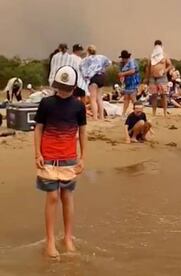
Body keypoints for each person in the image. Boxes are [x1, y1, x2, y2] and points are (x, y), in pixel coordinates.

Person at [34, 66, 86, 258]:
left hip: (69, 158)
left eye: (67, 88)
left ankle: (68, 237)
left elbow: (83, 132)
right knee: (53, 197)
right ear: (56, 86)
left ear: (73, 87)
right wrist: (37, 153)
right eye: (61, 88)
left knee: (67, 196)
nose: (63, 92)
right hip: (48, 157)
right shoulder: (46, 103)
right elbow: (38, 128)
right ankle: (49, 241)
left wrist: (83, 157)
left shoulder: (78, 106)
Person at [80, 45, 112, 120]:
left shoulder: (85, 60)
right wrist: (102, 67)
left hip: (93, 78)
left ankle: (95, 116)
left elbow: (81, 68)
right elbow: (109, 63)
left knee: (93, 98)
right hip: (101, 76)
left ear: (88, 51)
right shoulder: (101, 57)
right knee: (99, 97)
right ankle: (101, 116)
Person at [145, 40, 172, 117]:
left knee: (164, 95)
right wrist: (146, 78)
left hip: (162, 77)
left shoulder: (165, 55)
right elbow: (148, 67)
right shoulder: (151, 55)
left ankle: (165, 113)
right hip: (152, 77)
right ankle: (154, 113)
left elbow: (170, 65)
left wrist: (165, 71)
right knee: (154, 95)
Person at [118, 50, 140, 117]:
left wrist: (123, 74)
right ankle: (123, 113)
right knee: (126, 98)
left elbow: (132, 71)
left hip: (133, 81)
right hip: (127, 83)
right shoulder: (122, 64)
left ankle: (138, 112)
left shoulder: (131, 62)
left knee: (133, 97)